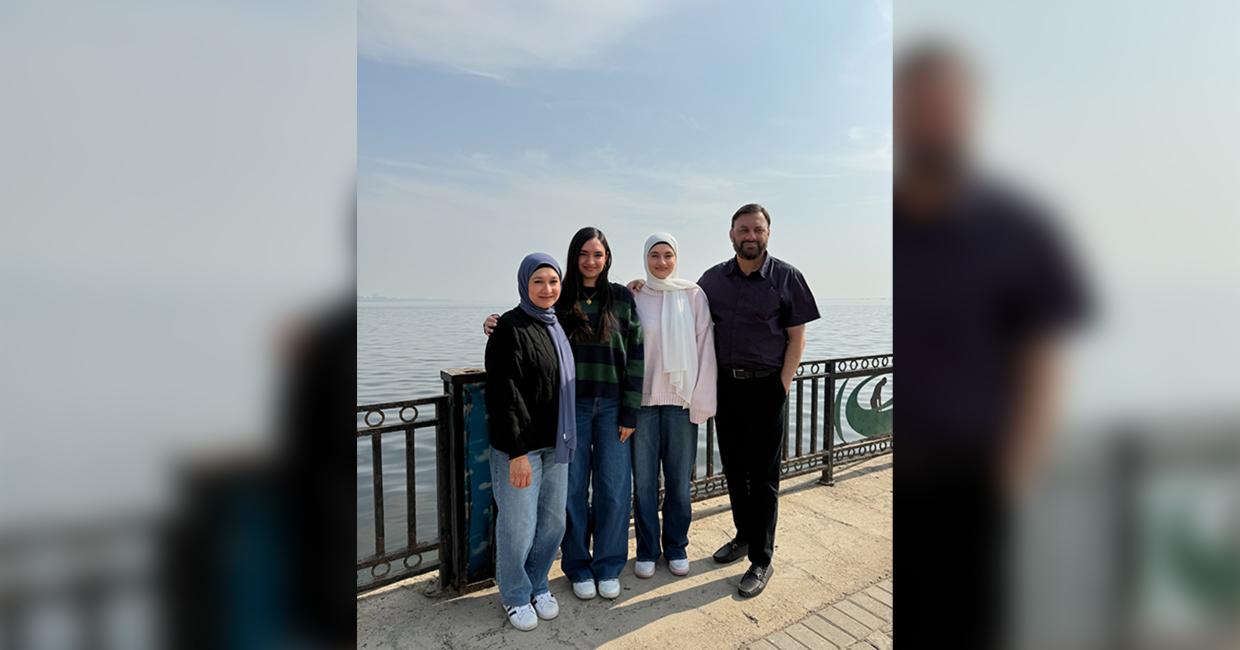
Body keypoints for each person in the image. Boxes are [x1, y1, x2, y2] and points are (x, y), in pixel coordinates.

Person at [893, 41, 1088, 647]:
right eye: (918, 105)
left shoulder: (1016, 223)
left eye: (944, 104)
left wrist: (1017, 474)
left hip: (980, 473)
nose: (931, 120)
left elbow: (1045, 354)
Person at [629, 203, 820, 598]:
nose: (750, 236)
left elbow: (797, 337)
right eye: (743, 230)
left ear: (768, 233)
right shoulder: (712, 281)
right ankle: (743, 537)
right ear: (731, 234)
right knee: (735, 468)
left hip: (767, 387)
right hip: (727, 389)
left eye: (757, 229)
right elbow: (677, 300)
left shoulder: (787, 277)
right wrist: (638, 287)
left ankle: (762, 558)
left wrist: (783, 385)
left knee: (763, 476)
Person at [484, 227, 644, 602]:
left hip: (613, 408)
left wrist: (631, 410)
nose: (591, 261)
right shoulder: (560, 297)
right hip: (569, 410)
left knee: (614, 488)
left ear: (607, 258)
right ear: (574, 257)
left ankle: (608, 565)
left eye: (598, 254)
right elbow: (529, 321)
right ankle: (577, 566)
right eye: (583, 254)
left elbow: (637, 353)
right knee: (570, 493)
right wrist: (495, 322)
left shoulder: (622, 298)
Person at [484, 253, 576, 631]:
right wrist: (517, 453)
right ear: (524, 284)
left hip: (557, 443)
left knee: (553, 523)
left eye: (553, 281)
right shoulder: (509, 327)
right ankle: (515, 594)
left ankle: (538, 583)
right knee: (518, 526)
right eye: (538, 281)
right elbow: (504, 395)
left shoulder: (558, 324)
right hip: (521, 449)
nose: (547, 288)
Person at [630, 233, 717, 580]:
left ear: (676, 258)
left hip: (680, 404)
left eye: (668, 255)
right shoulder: (635, 295)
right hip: (643, 404)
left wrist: (701, 400)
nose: (661, 262)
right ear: (645, 258)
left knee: (679, 481)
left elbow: (705, 347)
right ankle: (647, 550)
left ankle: (677, 546)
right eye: (654, 255)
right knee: (644, 483)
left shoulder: (693, 295)